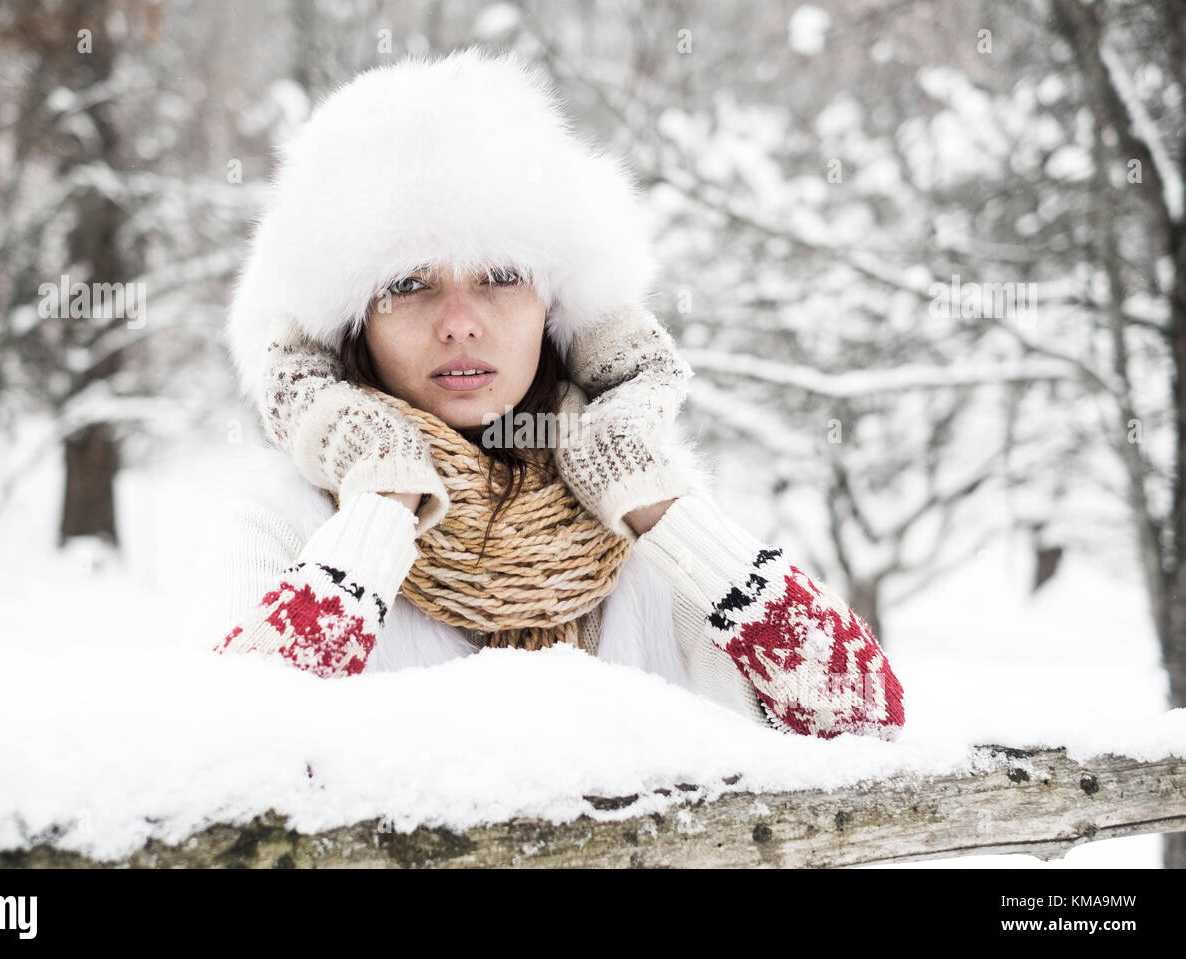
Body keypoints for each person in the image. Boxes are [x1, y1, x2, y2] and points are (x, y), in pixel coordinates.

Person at [185, 46, 905, 741]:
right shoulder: (285, 520)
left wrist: (653, 495)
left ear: (560, 310)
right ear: (351, 327)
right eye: (409, 285)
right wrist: (378, 493)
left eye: (500, 276)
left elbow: (862, 714)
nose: (460, 323)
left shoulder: (649, 521)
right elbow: (249, 755)